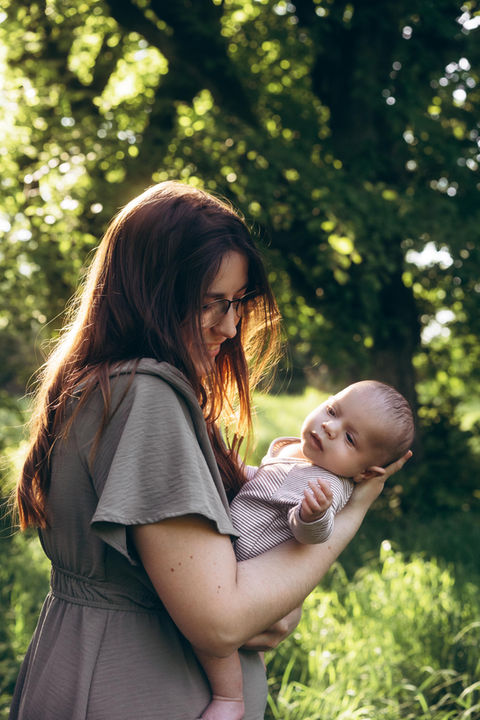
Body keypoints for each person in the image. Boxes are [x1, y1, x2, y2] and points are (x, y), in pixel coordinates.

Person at [10, 181, 411, 720]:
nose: (229, 327)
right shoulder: (146, 395)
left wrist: (272, 604)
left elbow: (232, 592)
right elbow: (222, 620)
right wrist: (353, 511)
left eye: (236, 303)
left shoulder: (103, 384)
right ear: (150, 295)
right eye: (209, 305)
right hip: (142, 686)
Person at [195, 380, 414, 720]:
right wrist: (236, 466)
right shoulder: (294, 457)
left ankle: (229, 698)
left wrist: (310, 515)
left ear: (366, 473)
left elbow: (317, 533)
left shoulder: (329, 486)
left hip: (248, 569)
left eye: (350, 438)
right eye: (332, 411)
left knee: (217, 643)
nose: (329, 427)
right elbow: (261, 485)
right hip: (229, 555)